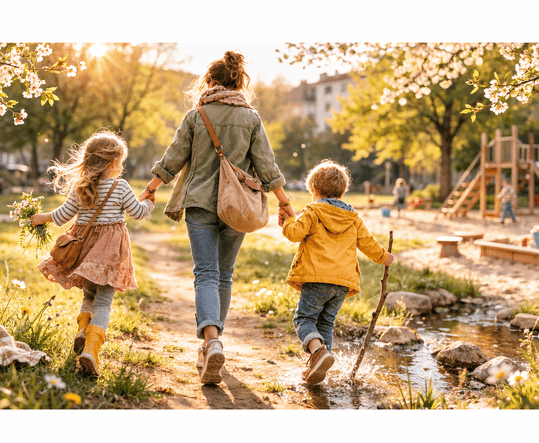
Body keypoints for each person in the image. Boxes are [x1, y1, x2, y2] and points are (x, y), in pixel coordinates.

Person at [139, 51, 293, 385]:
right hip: (238, 206)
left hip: (200, 204)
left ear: (209, 82)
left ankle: (211, 341)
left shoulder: (198, 115)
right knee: (224, 275)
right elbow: (267, 165)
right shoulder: (251, 118)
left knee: (206, 274)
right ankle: (213, 342)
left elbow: (173, 156)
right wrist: (284, 202)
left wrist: (151, 188)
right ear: (239, 83)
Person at [32, 131, 154, 377]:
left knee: (89, 294)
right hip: (110, 254)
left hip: (85, 250)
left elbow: (62, 216)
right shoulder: (121, 186)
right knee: (104, 300)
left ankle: (82, 332)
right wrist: (150, 201)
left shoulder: (82, 187)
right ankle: (91, 350)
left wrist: (40, 218)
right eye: (120, 160)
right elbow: (138, 213)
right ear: (113, 163)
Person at [279, 160, 394, 385]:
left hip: (316, 278)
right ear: (342, 191)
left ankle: (318, 353)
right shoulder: (353, 218)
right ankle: (319, 369)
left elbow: (295, 234)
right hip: (342, 283)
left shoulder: (312, 211)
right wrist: (384, 257)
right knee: (326, 324)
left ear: (315, 189)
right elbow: (368, 243)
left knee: (304, 318)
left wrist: (287, 221)